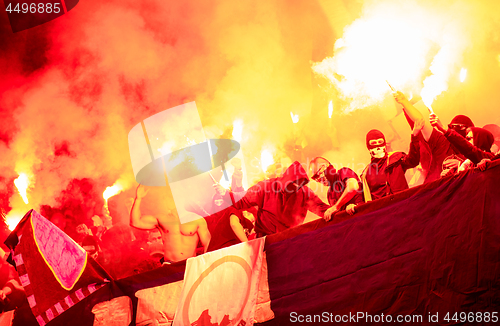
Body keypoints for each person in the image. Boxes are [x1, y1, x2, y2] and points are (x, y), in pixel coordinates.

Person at [214, 161, 331, 236]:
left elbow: (322, 209)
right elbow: (242, 201)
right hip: (265, 240)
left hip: (290, 238)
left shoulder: (304, 192)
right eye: (293, 184)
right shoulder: (265, 187)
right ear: (286, 178)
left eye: (299, 184)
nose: (295, 188)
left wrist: (341, 210)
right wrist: (225, 193)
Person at [393, 91, 474, 182]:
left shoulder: (474, 154)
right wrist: (404, 101)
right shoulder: (442, 142)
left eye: (469, 136)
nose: (463, 137)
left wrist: (462, 164)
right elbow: (420, 121)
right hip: (437, 190)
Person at [130, 184, 211, 263]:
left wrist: (203, 264)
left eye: (170, 198)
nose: (167, 201)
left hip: (190, 265)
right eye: (165, 198)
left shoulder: (196, 219)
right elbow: (135, 222)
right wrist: (138, 199)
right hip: (169, 266)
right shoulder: (162, 219)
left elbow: (207, 244)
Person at [361, 121, 423, 201]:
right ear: (368, 147)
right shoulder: (366, 173)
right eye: (373, 143)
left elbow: (413, 161)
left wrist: (414, 136)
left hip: (402, 204)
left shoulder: (396, 158)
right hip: (383, 210)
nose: (378, 146)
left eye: (380, 142)